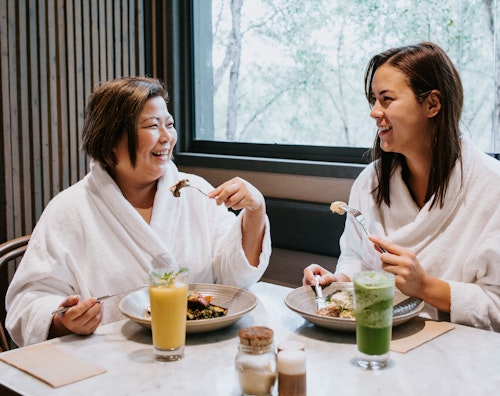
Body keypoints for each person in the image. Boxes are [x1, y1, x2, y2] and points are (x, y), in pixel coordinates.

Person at [6, 76, 271, 347]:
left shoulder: (194, 191)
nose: (167, 137)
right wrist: (64, 321)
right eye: (152, 126)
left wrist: (255, 210)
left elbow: (236, 275)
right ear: (111, 138)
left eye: (169, 124)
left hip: (201, 351)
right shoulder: (69, 209)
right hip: (111, 363)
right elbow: (29, 300)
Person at [303, 42, 500, 331]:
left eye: (387, 99)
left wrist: (426, 287)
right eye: (373, 100)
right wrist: (341, 281)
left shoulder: (491, 187)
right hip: (377, 334)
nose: (374, 112)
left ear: (432, 104)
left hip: (462, 353)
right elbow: (356, 256)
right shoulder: (370, 182)